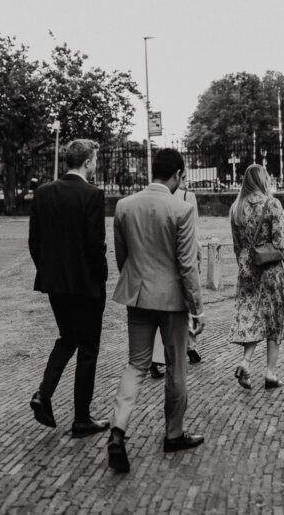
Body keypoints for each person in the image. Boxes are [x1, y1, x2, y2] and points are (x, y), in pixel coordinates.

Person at [106, 148, 205, 474]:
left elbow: (123, 257)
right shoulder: (182, 209)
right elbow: (187, 265)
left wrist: (136, 284)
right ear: (177, 175)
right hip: (172, 300)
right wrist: (197, 308)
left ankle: (118, 430)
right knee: (176, 366)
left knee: (136, 364)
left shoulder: (124, 206)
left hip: (138, 295)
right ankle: (173, 433)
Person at [27, 139, 109, 437]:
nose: (96, 165)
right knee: (88, 349)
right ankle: (82, 418)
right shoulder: (92, 195)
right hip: (86, 285)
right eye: (95, 160)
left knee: (67, 338)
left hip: (55, 284)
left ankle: (43, 394)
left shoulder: (43, 193)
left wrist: (49, 271)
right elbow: (94, 245)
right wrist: (101, 276)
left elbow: (34, 242)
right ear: (88, 162)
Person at [228, 164, 284, 390]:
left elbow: (237, 245)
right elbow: (282, 242)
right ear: (263, 179)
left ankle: (246, 361)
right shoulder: (272, 204)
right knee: (274, 320)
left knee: (252, 315)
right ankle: (270, 373)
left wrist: (243, 265)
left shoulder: (236, 207)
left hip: (247, 269)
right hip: (270, 269)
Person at [150, 181, 203, 379]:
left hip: (159, 258)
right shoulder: (187, 197)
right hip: (182, 257)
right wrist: (197, 256)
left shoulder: (153, 197)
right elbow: (193, 231)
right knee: (184, 304)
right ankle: (179, 350)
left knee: (163, 307)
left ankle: (187, 347)